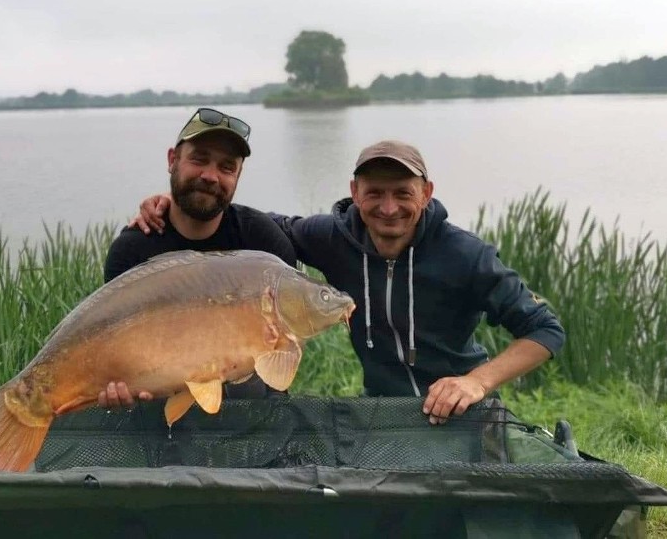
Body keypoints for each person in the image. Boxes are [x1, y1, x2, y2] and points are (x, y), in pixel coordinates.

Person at [132, 140, 565, 424]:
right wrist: (172, 206)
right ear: (355, 192)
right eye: (374, 193)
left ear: (427, 193)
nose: (388, 208)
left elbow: (545, 331)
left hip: (463, 408)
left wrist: (476, 382)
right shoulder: (331, 237)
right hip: (382, 412)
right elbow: (244, 223)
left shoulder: (466, 255)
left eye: (403, 193)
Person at [98, 107, 297, 409]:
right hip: (159, 407)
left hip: (250, 410)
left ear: (238, 176)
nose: (210, 176)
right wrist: (115, 386)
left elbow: (283, 347)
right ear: (172, 160)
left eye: (227, 167)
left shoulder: (264, 242)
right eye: (199, 159)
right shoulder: (132, 251)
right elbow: (116, 347)